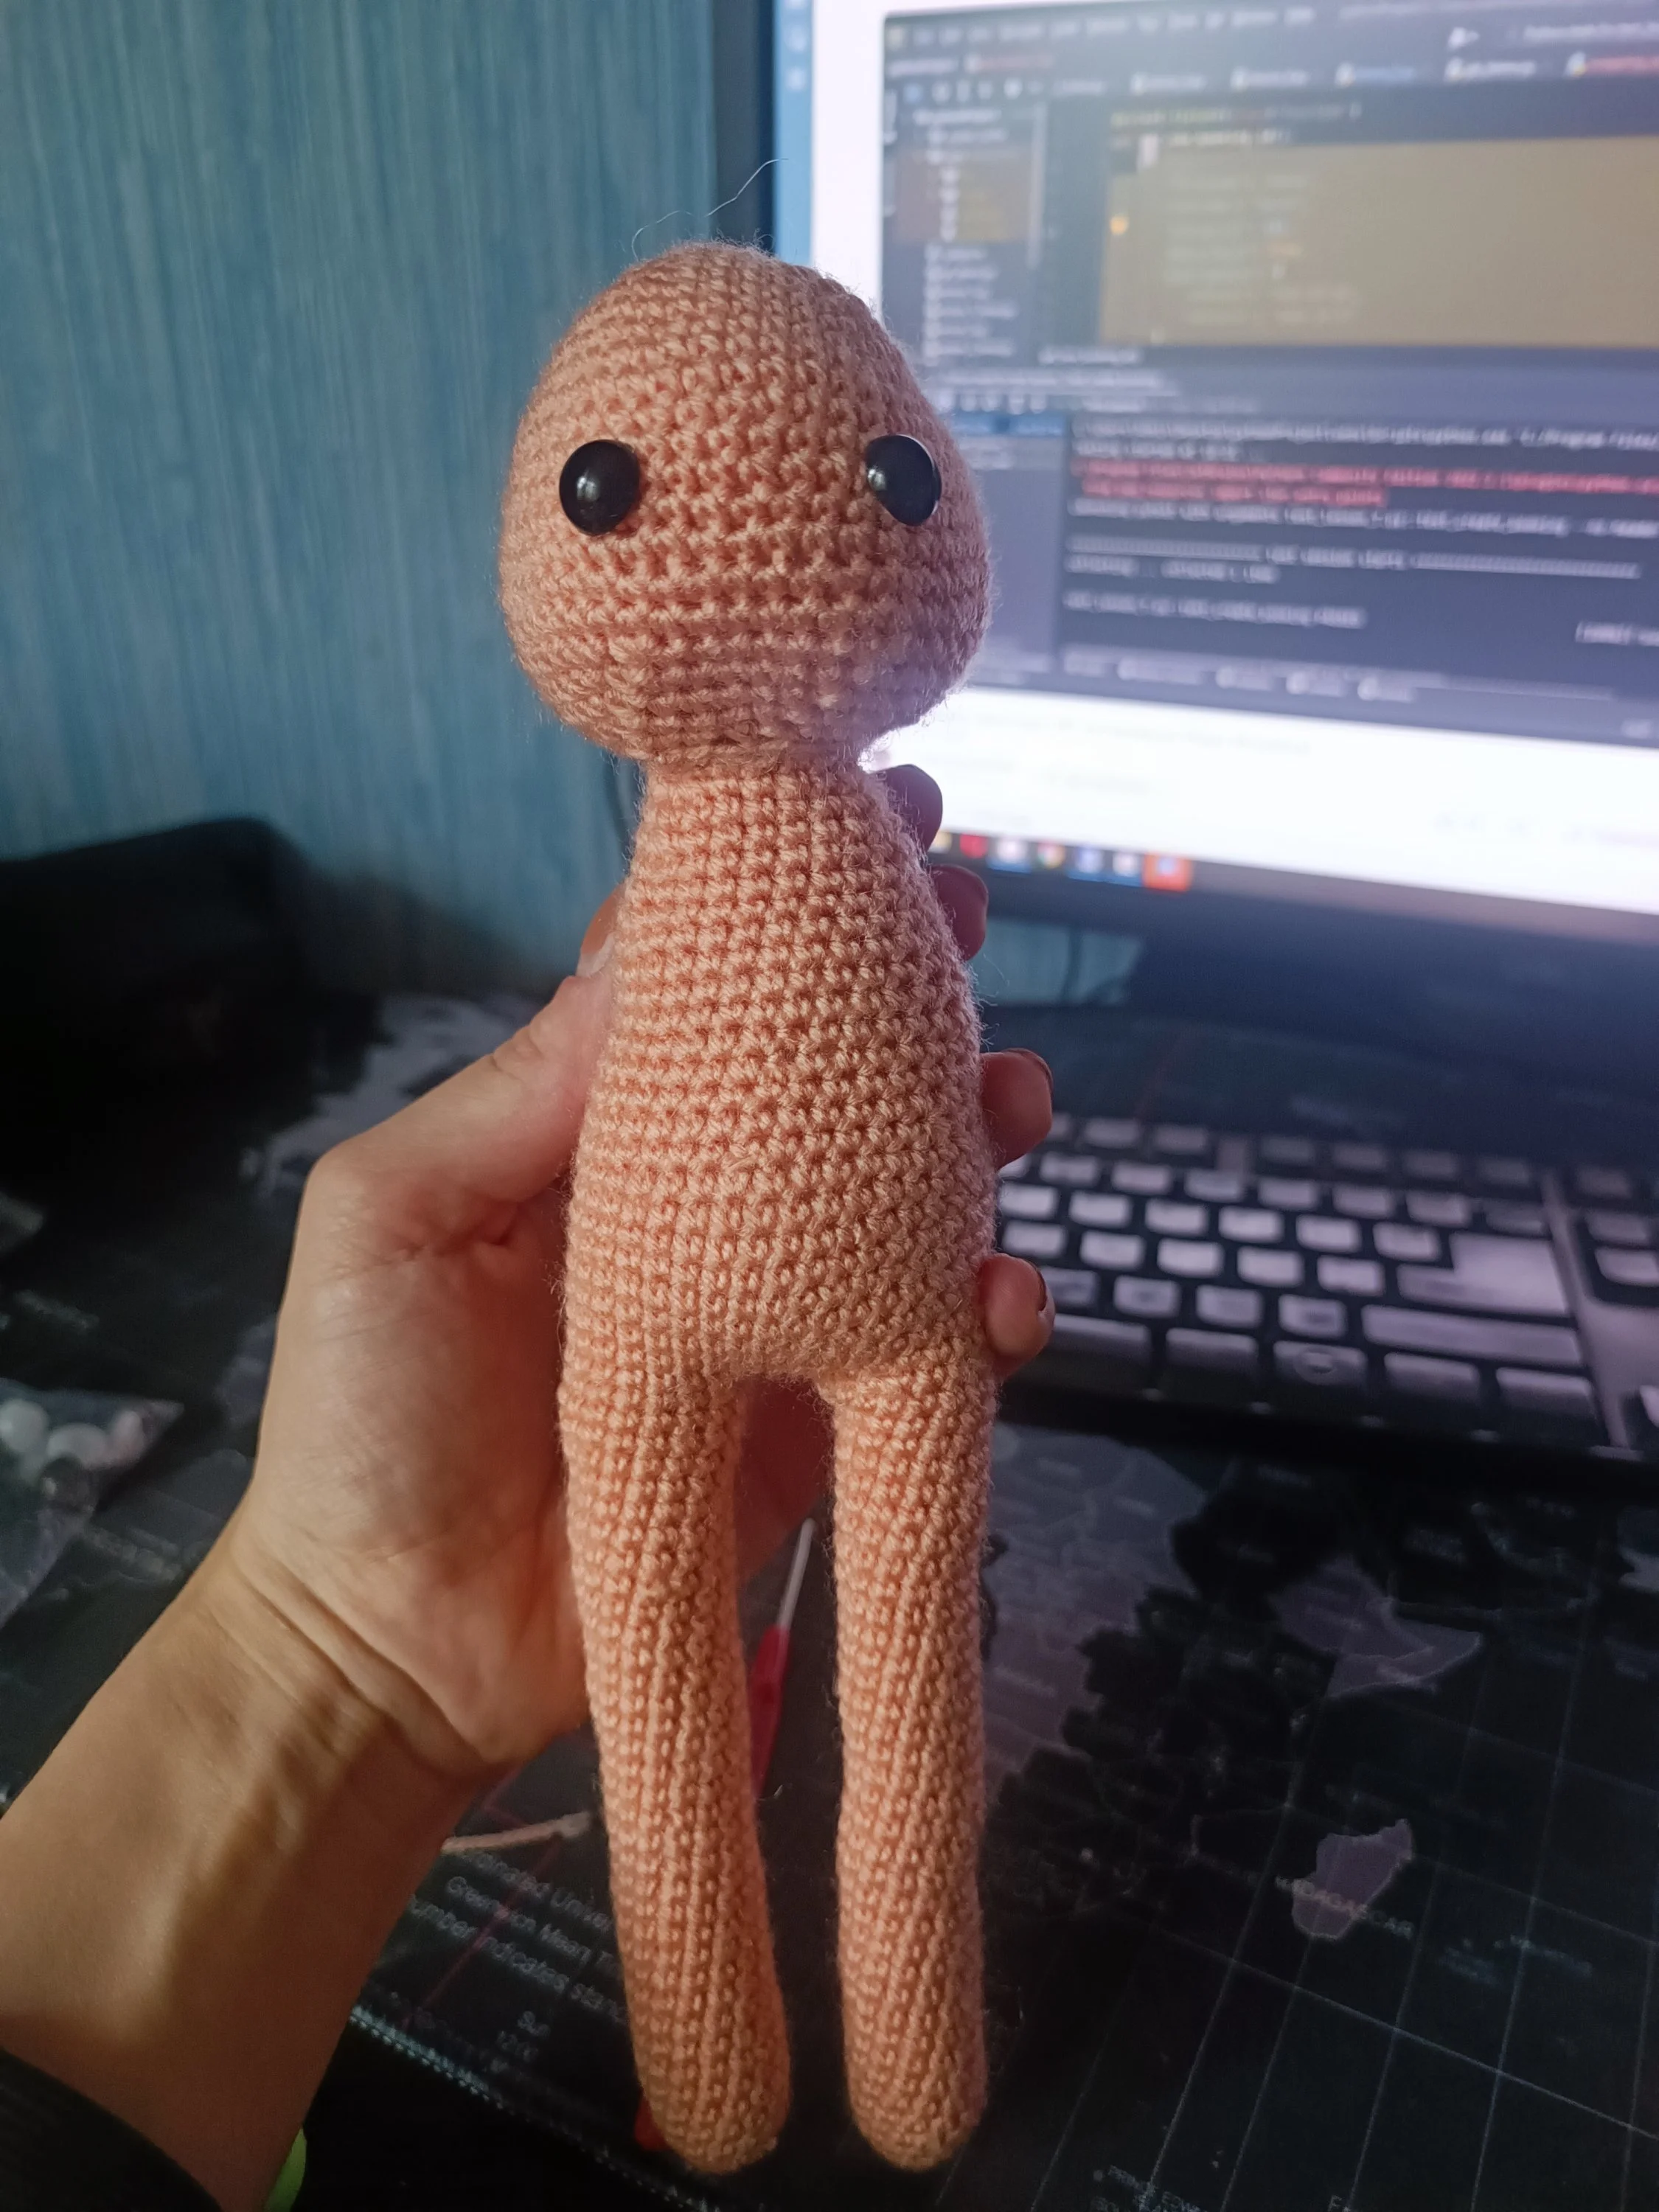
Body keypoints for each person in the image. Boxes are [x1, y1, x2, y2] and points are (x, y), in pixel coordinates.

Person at [0, 768, 1054, 2211]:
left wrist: (333, 1662)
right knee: (797, 1696)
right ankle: (748, 2074)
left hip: (745, 1310)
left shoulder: (756, 874)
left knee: (862, 1694)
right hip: (716, 1313)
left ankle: (858, 2062)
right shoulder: (729, 896)